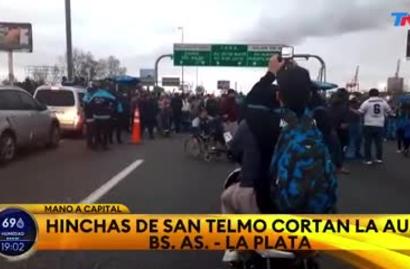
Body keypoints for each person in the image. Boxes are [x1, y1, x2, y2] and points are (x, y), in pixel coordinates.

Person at [358, 88, 394, 165]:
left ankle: (368, 160)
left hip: (368, 124)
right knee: (379, 143)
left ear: (369, 94)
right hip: (380, 125)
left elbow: (360, 112)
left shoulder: (367, 102)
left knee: (368, 143)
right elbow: (390, 112)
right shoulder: (383, 102)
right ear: (378, 94)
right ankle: (379, 158)